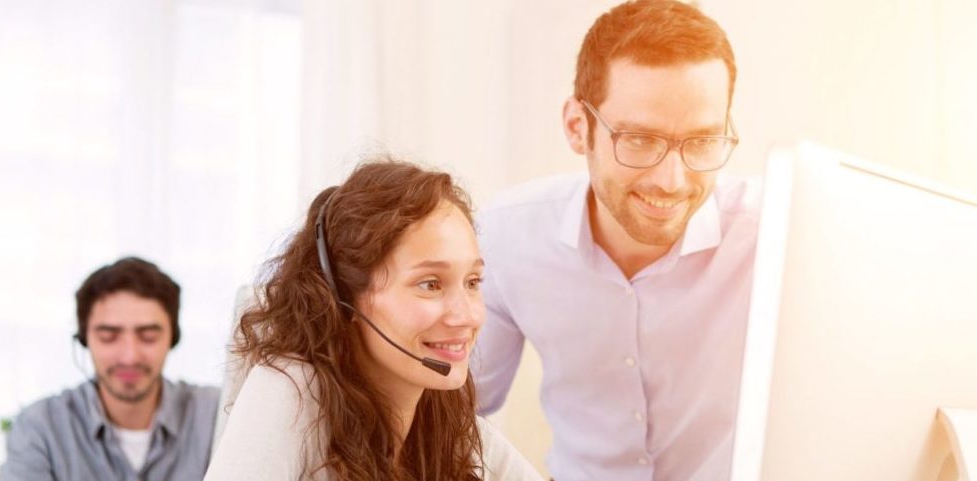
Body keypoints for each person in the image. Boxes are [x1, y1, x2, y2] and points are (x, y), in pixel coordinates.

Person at [470, 1, 760, 480]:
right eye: (640, 140)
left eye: (702, 141)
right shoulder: (506, 237)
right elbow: (449, 412)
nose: (672, 181)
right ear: (577, 127)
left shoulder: (776, 236)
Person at [204, 159, 541, 481]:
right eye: (430, 284)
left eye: (472, 282)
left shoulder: (446, 420)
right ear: (344, 296)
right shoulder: (289, 391)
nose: (468, 315)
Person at [0, 256, 221, 481]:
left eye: (148, 337)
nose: (129, 356)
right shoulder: (40, 427)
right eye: (108, 337)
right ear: (85, 339)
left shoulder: (217, 413)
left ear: (172, 338)